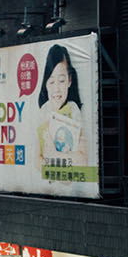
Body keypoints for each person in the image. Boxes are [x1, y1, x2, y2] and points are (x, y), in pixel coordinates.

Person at [35, 42, 93, 172]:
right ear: (45, 84)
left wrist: (54, 155)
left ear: (69, 80)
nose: (56, 89)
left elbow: (83, 161)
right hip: (48, 185)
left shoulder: (74, 110)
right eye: (51, 81)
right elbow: (36, 159)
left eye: (61, 80)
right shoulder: (44, 111)